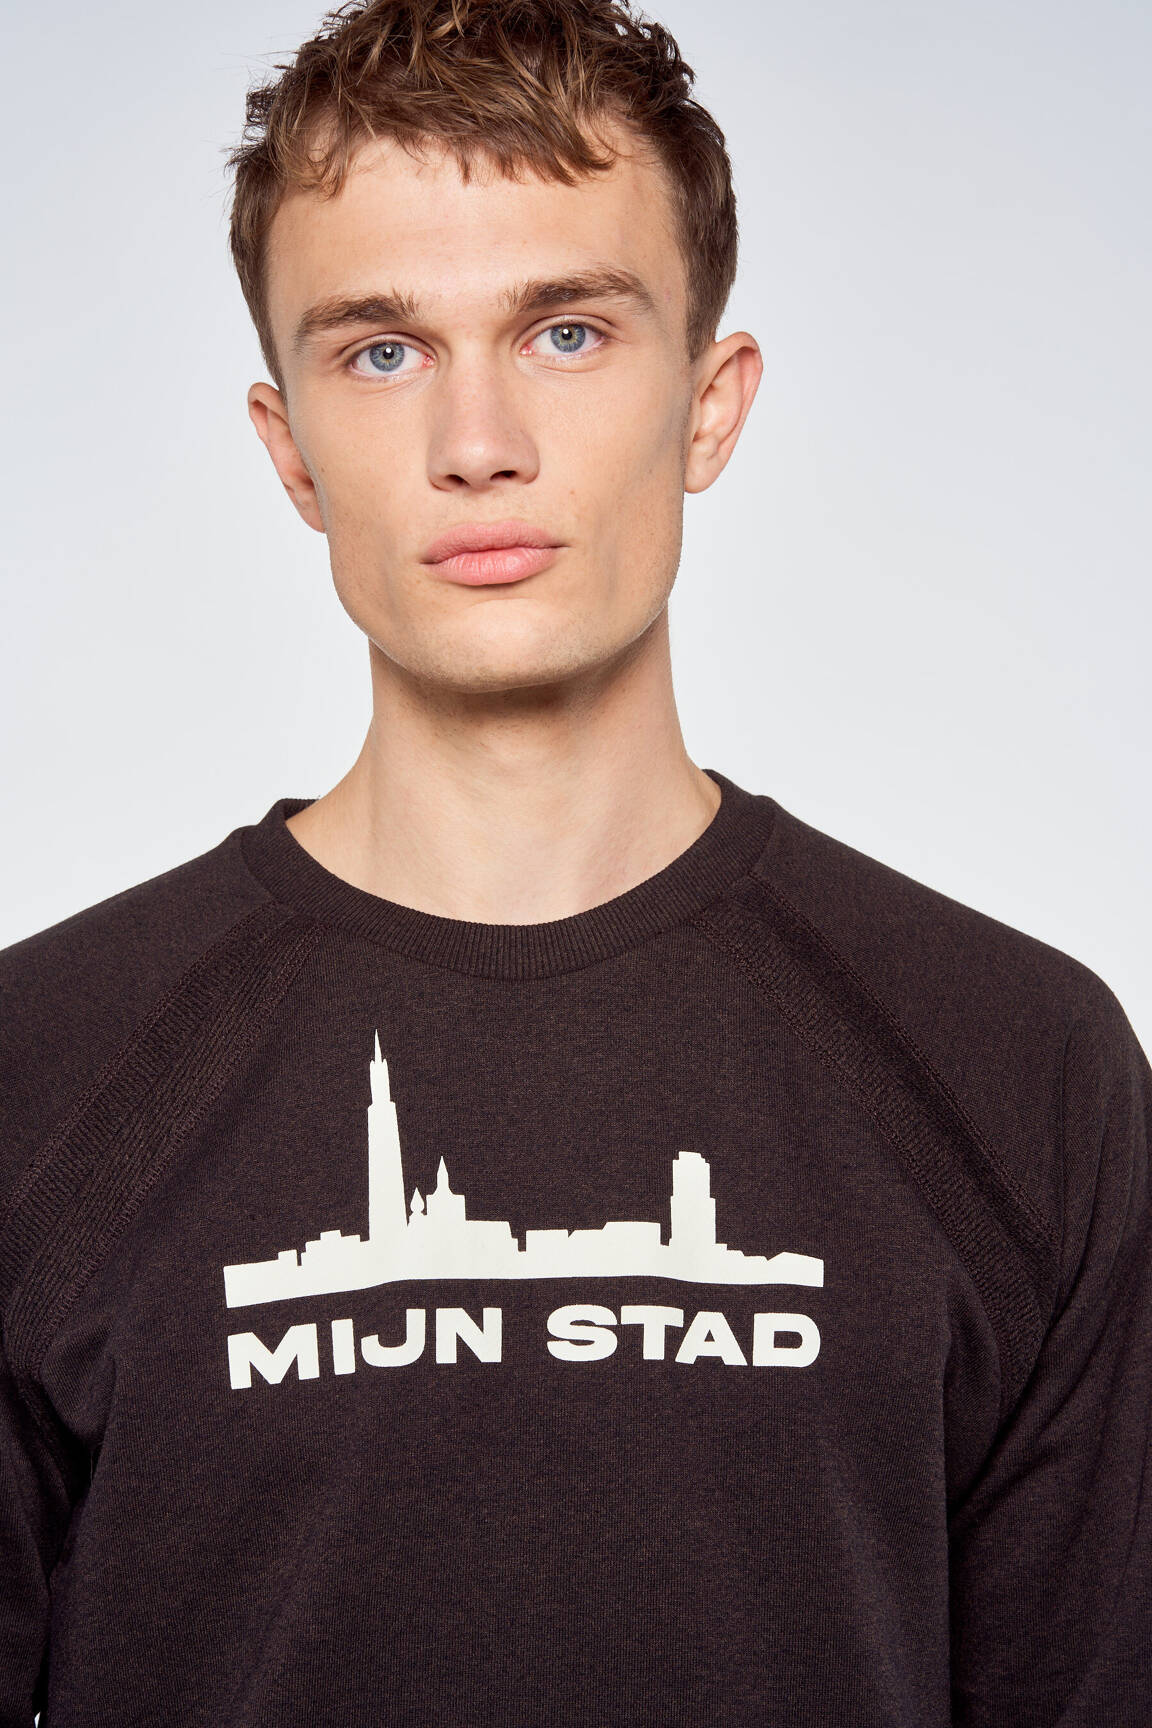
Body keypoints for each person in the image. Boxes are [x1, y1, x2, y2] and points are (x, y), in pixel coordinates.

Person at [1, 0, 1148, 1720]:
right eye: (382, 352)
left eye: (566, 333)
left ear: (710, 405)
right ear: (288, 447)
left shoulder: (1018, 1066)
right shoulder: (41, 1070)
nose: (479, 442)